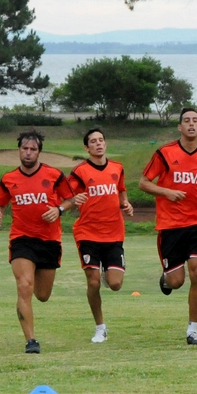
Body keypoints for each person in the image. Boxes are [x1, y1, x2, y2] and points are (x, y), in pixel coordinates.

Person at [139, 108, 197, 345]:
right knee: (177, 282)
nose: (192, 124)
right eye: (187, 121)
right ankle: (166, 279)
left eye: (195, 121)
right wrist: (167, 192)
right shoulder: (165, 153)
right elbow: (143, 183)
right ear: (180, 127)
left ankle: (192, 330)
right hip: (170, 225)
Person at [0, 130, 75, 354]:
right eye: (24, 149)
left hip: (49, 240)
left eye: (33, 149)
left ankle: (31, 328)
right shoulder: (9, 178)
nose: (28, 153)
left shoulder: (54, 175)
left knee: (42, 295)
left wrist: (58, 210)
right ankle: (31, 340)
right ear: (18, 150)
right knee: (24, 286)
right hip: (21, 239)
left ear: (39, 152)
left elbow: (71, 199)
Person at [68, 128, 134, 343]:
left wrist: (125, 203)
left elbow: (122, 190)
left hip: (114, 232)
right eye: (93, 141)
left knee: (115, 285)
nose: (98, 144)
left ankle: (108, 271)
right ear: (86, 148)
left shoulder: (117, 168)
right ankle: (100, 327)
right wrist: (73, 200)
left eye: (101, 140)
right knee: (93, 282)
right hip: (87, 233)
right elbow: (68, 196)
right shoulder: (80, 171)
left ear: (105, 144)